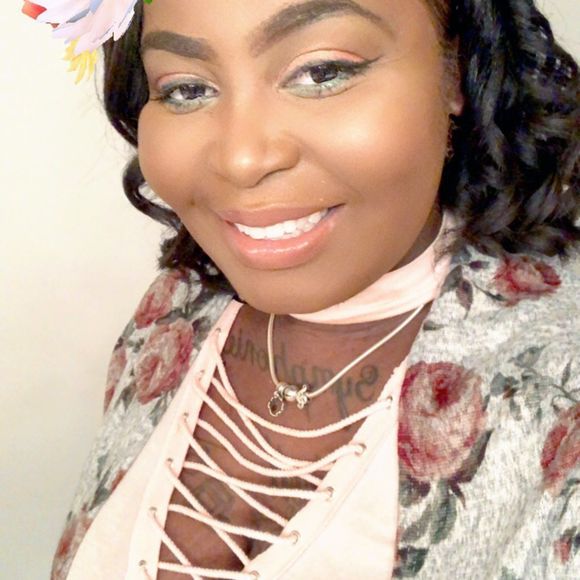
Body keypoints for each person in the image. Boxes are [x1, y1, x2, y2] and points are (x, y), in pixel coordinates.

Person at [24, 1, 579, 579]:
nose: (242, 160)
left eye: (322, 72)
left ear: (456, 70)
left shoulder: (559, 395)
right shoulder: (172, 314)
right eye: (188, 89)